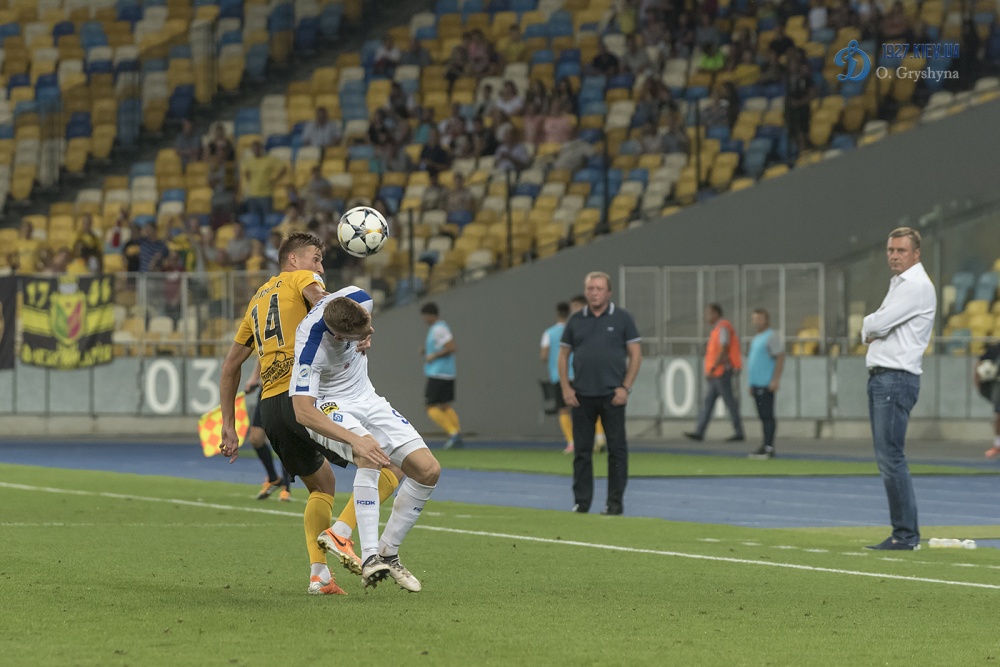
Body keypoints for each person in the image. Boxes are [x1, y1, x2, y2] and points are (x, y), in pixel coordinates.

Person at [219, 232, 401, 595]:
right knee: (392, 461)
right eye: (315, 259)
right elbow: (326, 304)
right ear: (293, 260)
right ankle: (340, 534)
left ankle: (320, 576)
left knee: (322, 484)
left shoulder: (257, 302)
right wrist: (360, 327)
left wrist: (229, 425)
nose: (320, 267)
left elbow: (229, 367)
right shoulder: (302, 278)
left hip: (271, 408)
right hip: (304, 397)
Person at [291, 289, 440, 591]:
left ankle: (388, 553)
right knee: (369, 452)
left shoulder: (357, 297)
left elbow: (353, 308)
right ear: (338, 336)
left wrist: (365, 331)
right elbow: (303, 412)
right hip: (329, 405)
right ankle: (370, 557)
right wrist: (354, 440)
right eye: (362, 333)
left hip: (367, 397)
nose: (371, 332)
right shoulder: (311, 349)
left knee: (428, 470)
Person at [861, 227, 936, 551]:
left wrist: (870, 325)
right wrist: (875, 326)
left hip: (895, 378)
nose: (894, 256)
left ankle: (905, 535)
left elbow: (875, 325)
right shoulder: (901, 284)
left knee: (891, 458)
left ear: (916, 253)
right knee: (889, 458)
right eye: (891, 250)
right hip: (886, 377)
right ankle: (904, 533)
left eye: (901, 250)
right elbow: (878, 326)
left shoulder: (915, 286)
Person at [558, 272, 642, 515]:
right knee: (582, 452)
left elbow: (636, 354)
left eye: (599, 289)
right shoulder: (576, 320)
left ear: (609, 292)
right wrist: (566, 387)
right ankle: (581, 502)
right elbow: (563, 355)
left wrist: (625, 387)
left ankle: (614, 503)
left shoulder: (623, 318)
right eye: (590, 288)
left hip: (612, 394)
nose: (594, 293)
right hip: (582, 395)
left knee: (617, 451)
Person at [684, 304, 744, 442]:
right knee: (709, 402)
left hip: (721, 372)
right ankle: (700, 431)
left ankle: (738, 432)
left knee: (728, 402)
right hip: (717, 373)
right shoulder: (717, 329)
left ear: (716, 313)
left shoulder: (722, 328)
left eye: (708, 313)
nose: (706, 316)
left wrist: (713, 367)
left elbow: (724, 349)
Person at [243, 356, 292, 500]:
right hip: (266, 390)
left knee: (284, 438)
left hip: (286, 390)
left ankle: (286, 487)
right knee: (255, 438)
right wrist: (254, 378)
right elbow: (262, 354)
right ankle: (274, 479)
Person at [420, 302, 462, 449]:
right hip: (447, 372)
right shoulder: (439, 328)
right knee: (444, 405)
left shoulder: (439, 329)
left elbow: (451, 347)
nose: (424, 319)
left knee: (430, 406)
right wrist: (427, 351)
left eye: (425, 316)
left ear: (430, 315)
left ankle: (453, 433)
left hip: (439, 372)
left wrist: (433, 356)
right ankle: (457, 434)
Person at [746, 308, 785, 459]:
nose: (757, 321)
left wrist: (775, 379)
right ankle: (765, 444)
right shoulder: (757, 338)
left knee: (767, 416)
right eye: (755, 318)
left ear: (766, 320)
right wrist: (751, 383)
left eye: (760, 318)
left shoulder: (771, 336)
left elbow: (780, 357)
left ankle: (769, 447)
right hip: (756, 383)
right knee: (762, 416)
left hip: (766, 383)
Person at [541, 302, 575, 453]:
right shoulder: (575, 330)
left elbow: (544, 356)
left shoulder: (549, 333)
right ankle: (595, 439)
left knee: (563, 409)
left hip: (559, 376)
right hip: (578, 374)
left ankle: (571, 442)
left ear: (557, 313)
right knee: (584, 409)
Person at [241, 140, 287, 228]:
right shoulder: (249, 161)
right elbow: (246, 173)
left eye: (257, 148)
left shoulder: (269, 160)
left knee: (267, 219)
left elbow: (283, 167)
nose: (255, 150)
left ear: (261, 148)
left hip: (266, 194)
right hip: (252, 194)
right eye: (253, 149)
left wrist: (275, 178)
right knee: (254, 220)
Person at [975, 343, 1000, 458]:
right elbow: (980, 361)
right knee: (998, 414)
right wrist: (977, 381)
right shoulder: (996, 349)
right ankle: (997, 444)